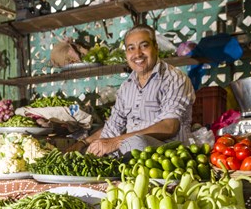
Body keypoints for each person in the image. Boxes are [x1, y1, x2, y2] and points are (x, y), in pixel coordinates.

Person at [72, 24, 196, 157]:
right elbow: (113, 126)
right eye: (131, 48)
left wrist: (116, 142)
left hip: (168, 154)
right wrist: (87, 146)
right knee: (94, 151)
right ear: (126, 53)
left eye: (144, 46)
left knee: (137, 143)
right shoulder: (126, 86)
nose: (137, 54)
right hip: (129, 149)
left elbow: (169, 126)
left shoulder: (174, 78)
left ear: (156, 48)